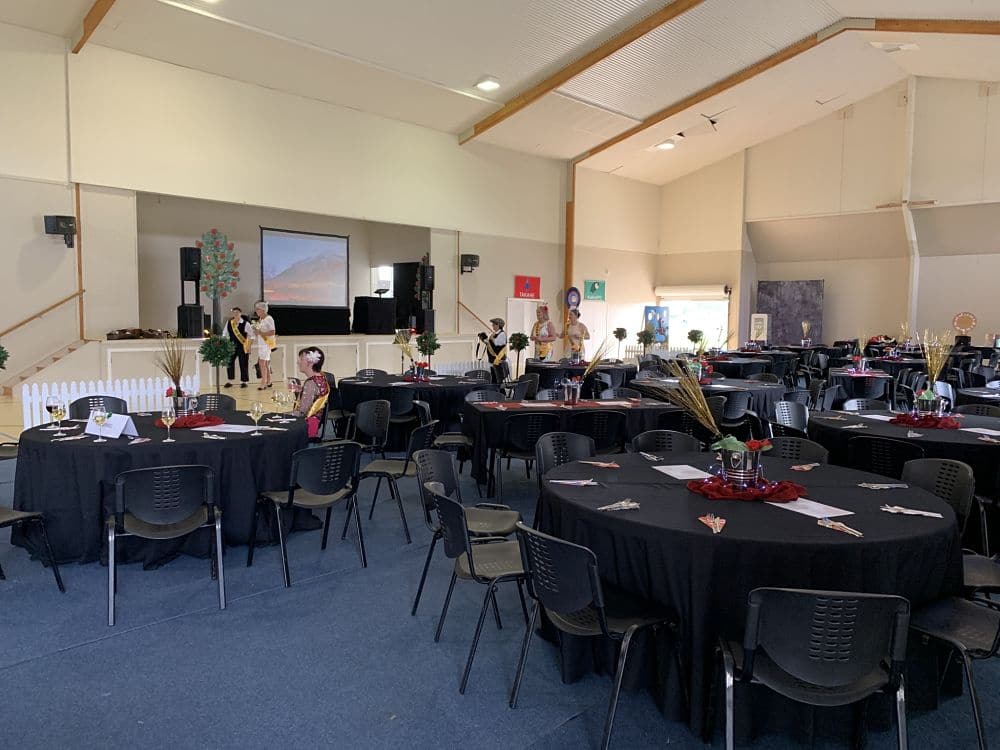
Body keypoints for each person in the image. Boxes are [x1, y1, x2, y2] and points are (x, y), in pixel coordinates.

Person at [288, 346, 330, 439]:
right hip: (315, 424)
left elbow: (302, 412)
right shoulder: (322, 377)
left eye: (301, 359)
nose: (298, 362)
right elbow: (316, 394)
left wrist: (282, 415)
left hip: (306, 427)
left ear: (310, 363)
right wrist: (301, 389)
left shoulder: (310, 383)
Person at [251, 301, 276, 390]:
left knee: (262, 363)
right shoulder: (261, 320)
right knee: (265, 363)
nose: (256, 311)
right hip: (261, 344)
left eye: (258, 309)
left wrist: (260, 332)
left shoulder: (269, 319)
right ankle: (269, 381)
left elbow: (273, 331)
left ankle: (263, 382)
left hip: (266, 344)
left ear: (263, 310)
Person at [223, 307, 251, 388]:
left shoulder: (246, 323)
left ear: (240, 313)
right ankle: (230, 381)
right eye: (234, 312)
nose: (235, 314)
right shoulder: (229, 323)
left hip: (242, 346)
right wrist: (225, 343)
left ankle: (244, 381)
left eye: (237, 312)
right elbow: (224, 333)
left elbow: (251, 335)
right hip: (231, 346)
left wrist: (249, 345)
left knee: (243, 363)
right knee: (229, 363)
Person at [480, 317, 509, 384]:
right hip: (493, 359)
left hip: (498, 359)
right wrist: (484, 339)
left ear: (498, 325)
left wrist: (490, 339)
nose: (492, 326)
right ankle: (496, 391)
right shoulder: (494, 334)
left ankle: (500, 393)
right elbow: (491, 345)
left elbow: (497, 344)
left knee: (498, 379)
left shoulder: (502, 334)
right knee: (494, 378)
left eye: (494, 324)